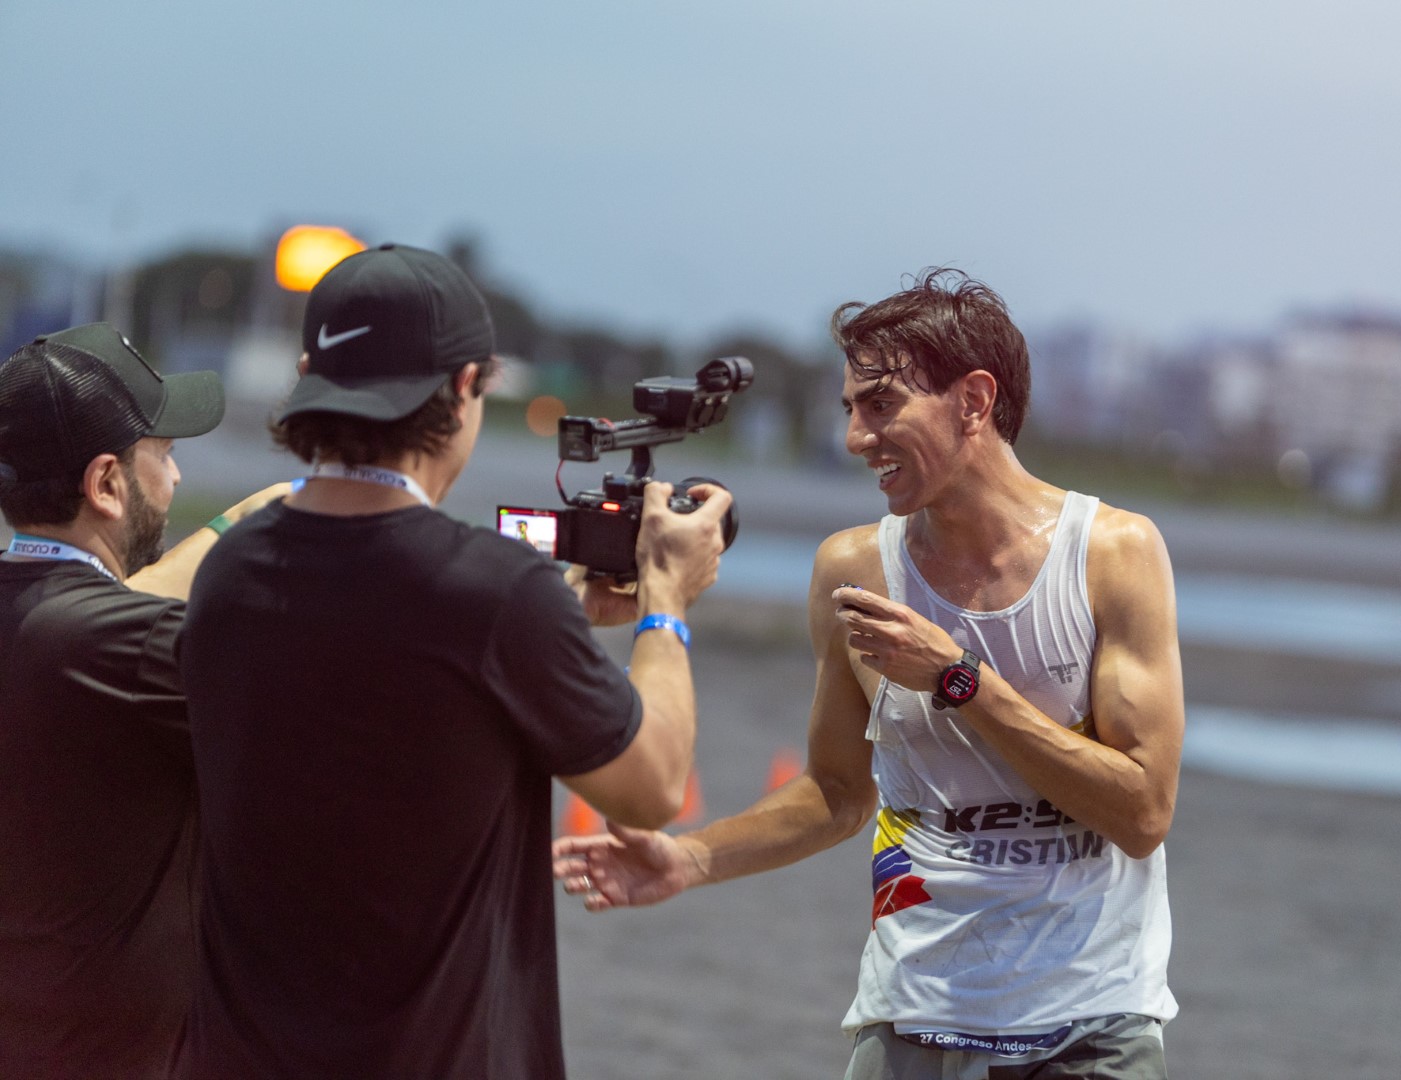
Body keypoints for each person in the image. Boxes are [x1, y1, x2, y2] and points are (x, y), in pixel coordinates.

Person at [554, 269, 1186, 1079]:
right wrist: (692, 859)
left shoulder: (1112, 553)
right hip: (914, 1009)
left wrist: (960, 680)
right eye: (851, 408)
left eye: (881, 404)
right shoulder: (853, 568)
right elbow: (837, 793)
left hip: (1092, 1021)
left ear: (973, 400)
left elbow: (1143, 811)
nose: (856, 437)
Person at [176, 244, 730, 1079]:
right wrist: (667, 601)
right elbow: (651, 787)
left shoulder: (229, 571)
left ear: (309, 376)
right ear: (467, 385)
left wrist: (554, 626)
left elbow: (381, 667)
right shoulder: (495, 594)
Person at [0, 323, 289, 1079]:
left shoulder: (65, 623)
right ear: (106, 484)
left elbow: (98, 597)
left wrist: (238, 526)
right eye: (164, 454)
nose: (178, 478)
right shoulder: (139, 646)